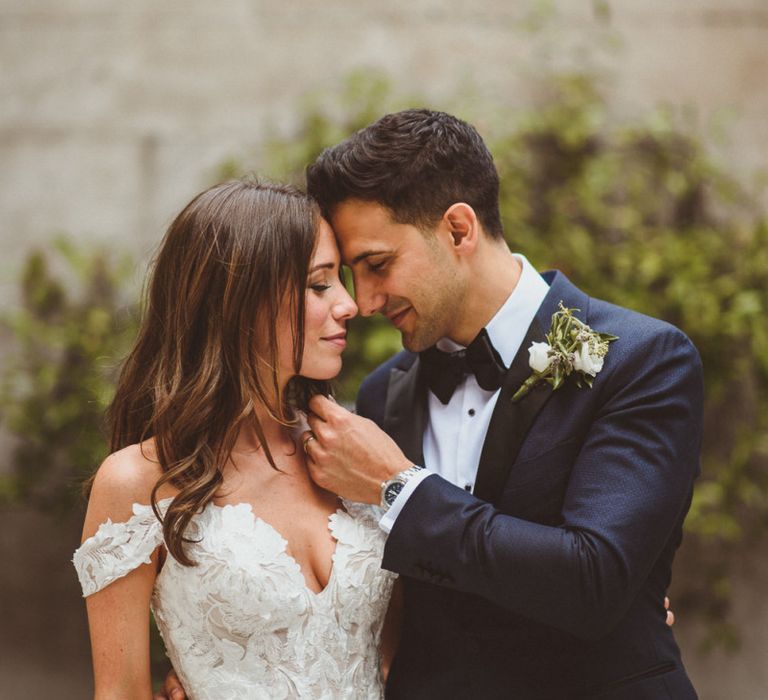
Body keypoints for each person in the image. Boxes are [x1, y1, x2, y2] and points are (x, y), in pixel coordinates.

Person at [292, 109, 702, 699]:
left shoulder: (643, 360)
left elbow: (593, 580)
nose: (368, 300)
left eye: (377, 266)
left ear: (459, 229)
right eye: (352, 275)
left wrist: (397, 488)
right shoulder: (385, 392)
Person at [72, 180, 399, 699]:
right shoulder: (136, 483)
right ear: (241, 302)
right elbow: (120, 693)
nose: (349, 304)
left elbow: (392, 658)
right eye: (320, 285)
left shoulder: (350, 451)